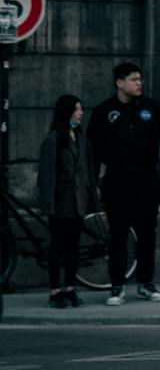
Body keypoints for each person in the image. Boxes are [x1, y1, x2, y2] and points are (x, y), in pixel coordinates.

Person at [88, 62, 160, 305]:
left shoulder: (152, 107)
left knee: (147, 234)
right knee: (118, 235)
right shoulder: (104, 111)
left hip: (147, 178)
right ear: (119, 83)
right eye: (134, 79)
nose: (139, 83)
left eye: (140, 79)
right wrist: (93, 181)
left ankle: (146, 284)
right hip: (117, 179)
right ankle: (117, 286)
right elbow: (92, 150)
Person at [36, 94, 99, 308]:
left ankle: (71, 289)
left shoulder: (82, 139)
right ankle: (55, 291)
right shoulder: (53, 139)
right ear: (66, 112)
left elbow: (89, 172)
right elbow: (46, 176)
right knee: (57, 248)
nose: (81, 113)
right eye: (77, 109)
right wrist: (48, 206)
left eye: (81, 109)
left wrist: (93, 199)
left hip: (79, 202)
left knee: (73, 247)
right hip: (61, 203)